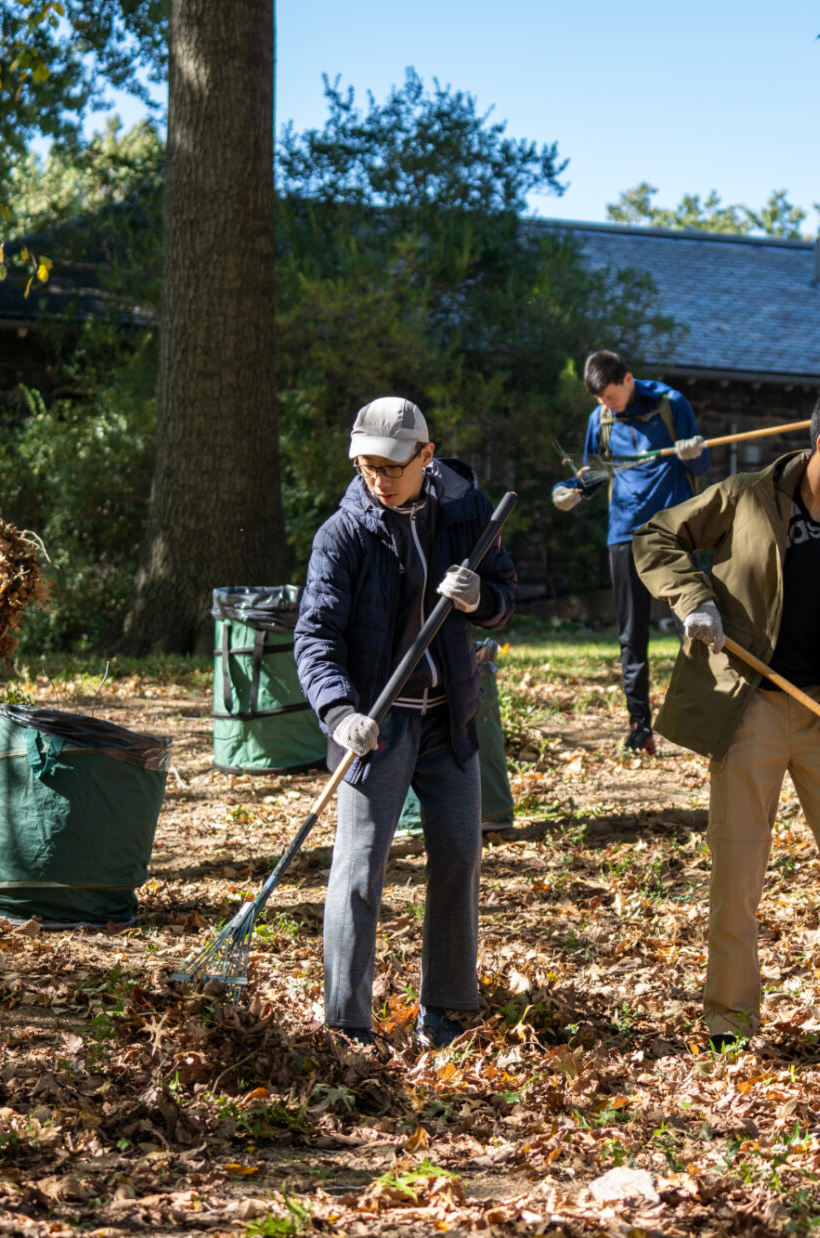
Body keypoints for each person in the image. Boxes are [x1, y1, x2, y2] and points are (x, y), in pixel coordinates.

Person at [633, 382, 820, 1046]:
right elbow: (656, 539)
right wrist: (694, 601)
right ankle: (729, 1025)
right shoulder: (744, 498)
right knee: (737, 877)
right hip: (749, 710)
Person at [295, 396, 517, 1050]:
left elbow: (504, 599)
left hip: (450, 721)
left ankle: (444, 1011)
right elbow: (316, 636)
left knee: (459, 854)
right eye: (367, 467)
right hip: (378, 723)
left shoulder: (467, 511)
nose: (379, 480)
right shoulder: (345, 533)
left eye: (392, 466)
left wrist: (482, 601)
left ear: (427, 455)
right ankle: (347, 1021)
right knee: (360, 867)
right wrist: (339, 712)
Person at [553, 350, 710, 755]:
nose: (606, 404)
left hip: (672, 531)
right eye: (599, 399)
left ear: (628, 379)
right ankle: (640, 726)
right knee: (631, 635)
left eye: (609, 395)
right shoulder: (600, 420)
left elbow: (701, 465)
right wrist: (571, 492)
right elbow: (592, 476)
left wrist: (693, 451)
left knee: (691, 626)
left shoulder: (669, 404)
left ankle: (706, 720)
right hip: (623, 533)